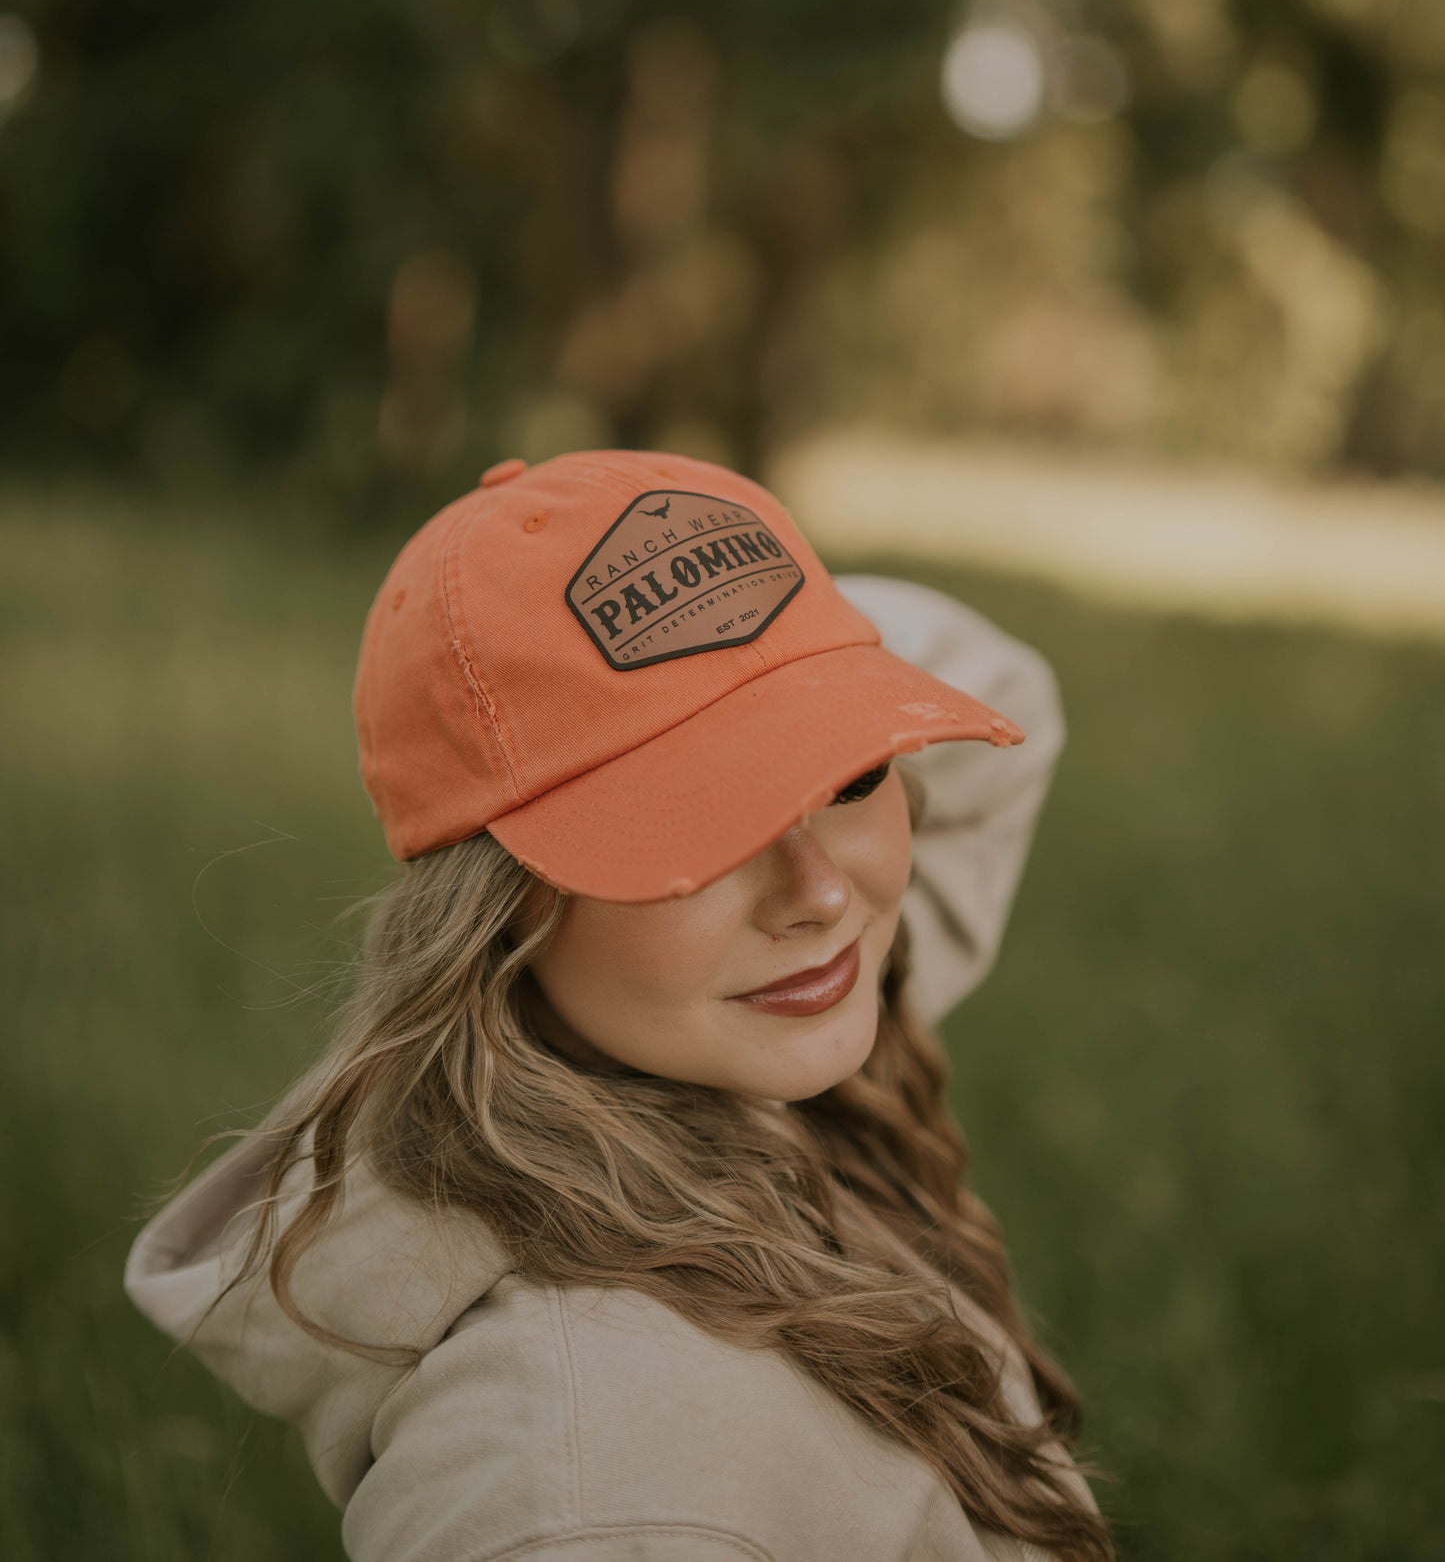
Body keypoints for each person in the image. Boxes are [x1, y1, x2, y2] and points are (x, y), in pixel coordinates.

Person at [123, 448, 1115, 1562]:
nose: (824, 894)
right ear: (492, 915)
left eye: (848, 774)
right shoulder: (576, 1483)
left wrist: (747, 635)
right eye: (699, 829)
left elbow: (1000, 698)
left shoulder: (726, 1044)